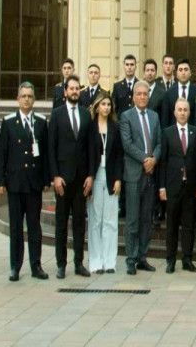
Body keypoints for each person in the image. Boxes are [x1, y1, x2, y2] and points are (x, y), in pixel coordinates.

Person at [0, 83, 50, 281]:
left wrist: (46, 179)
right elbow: (2, 153)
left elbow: (45, 154)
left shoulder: (41, 122)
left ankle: (36, 265)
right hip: (16, 183)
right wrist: (0, 180)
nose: (26, 99)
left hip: (34, 184)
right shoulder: (9, 122)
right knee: (16, 227)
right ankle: (15, 267)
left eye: (30, 96)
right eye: (23, 96)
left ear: (34, 99)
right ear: (18, 99)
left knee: (34, 226)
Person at [49, 76, 92, 278]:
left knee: (79, 224)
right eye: (71, 88)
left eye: (77, 88)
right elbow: (51, 148)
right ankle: (60, 264)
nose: (75, 91)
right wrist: (55, 176)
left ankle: (78, 263)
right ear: (65, 91)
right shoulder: (56, 115)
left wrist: (91, 176)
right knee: (61, 223)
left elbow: (91, 149)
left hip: (81, 179)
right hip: (63, 180)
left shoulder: (86, 115)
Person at [119, 80, 160, 275]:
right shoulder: (126, 117)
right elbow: (127, 144)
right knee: (133, 220)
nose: (143, 97)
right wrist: (146, 158)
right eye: (139, 94)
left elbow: (160, 142)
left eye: (145, 94)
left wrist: (155, 159)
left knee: (146, 219)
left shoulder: (154, 116)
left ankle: (143, 256)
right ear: (134, 96)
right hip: (134, 174)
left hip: (150, 175)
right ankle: (131, 259)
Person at [160, 98, 196, 272]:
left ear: (189, 112)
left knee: (188, 225)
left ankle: (187, 259)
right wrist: (162, 187)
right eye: (180, 109)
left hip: (190, 186)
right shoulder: (167, 133)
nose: (183, 112)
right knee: (171, 226)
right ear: (174, 112)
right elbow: (163, 162)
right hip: (172, 186)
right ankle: (171, 260)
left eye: (185, 109)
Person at [86, 93, 123, 274]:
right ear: (97, 107)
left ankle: (109, 262)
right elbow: (84, 155)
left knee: (110, 220)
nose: (106, 107)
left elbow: (118, 156)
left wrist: (118, 179)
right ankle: (95, 261)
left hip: (110, 176)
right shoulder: (89, 127)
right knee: (95, 220)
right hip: (95, 176)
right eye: (103, 104)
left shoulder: (115, 127)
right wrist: (88, 177)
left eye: (109, 104)